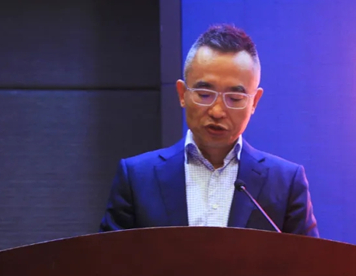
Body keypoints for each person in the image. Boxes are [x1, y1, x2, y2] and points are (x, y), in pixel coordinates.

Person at [99, 24, 319, 237]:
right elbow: (110, 259)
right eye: (204, 95)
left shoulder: (285, 183)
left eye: (235, 98)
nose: (217, 111)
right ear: (182, 94)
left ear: (254, 102)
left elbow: (309, 260)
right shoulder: (137, 178)